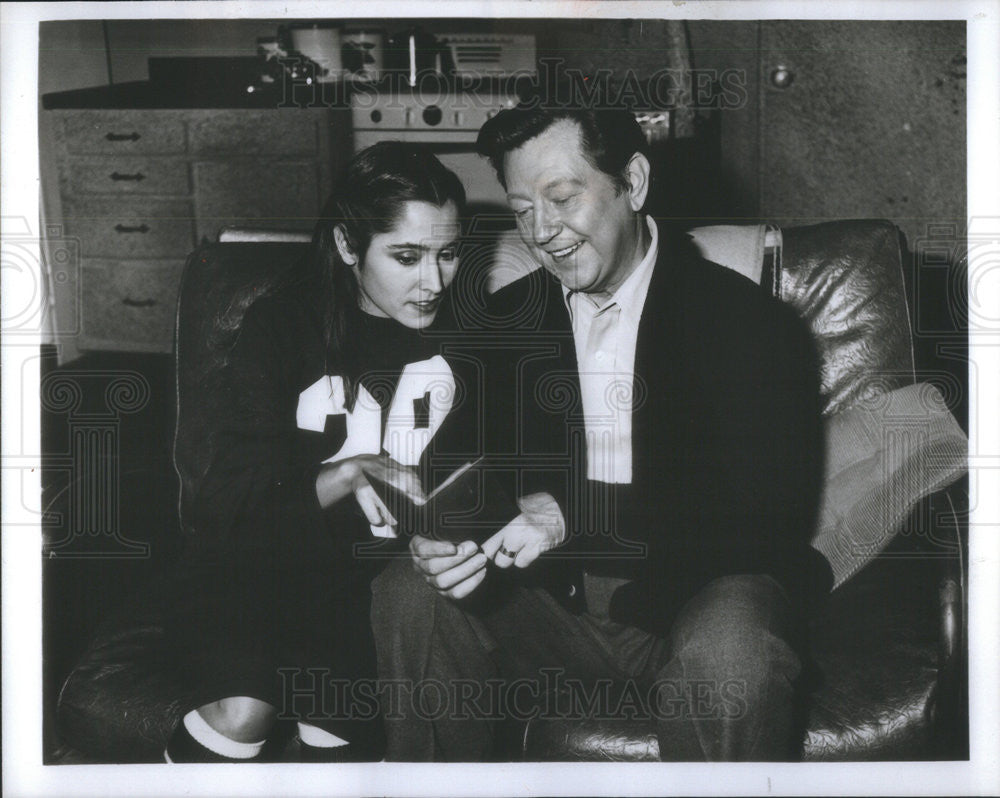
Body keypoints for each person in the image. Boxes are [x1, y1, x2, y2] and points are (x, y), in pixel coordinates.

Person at [371, 102, 834, 761]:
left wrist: (572, 511)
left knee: (730, 655)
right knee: (409, 589)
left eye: (562, 198)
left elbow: (760, 507)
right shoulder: (505, 321)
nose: (543, 230)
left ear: (634, 183)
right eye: (522, 209)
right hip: (557, 610)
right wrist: (447, 535)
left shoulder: (742, 319)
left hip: (700, 594)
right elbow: (458, 463)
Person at [163, 141, 466, 763]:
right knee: (243, 714)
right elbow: (227, 504)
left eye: (448, 254)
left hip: (367, 591)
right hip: (263, 570)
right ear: (349, 246)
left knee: (342, 733)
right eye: (406, 256)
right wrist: (346, 472)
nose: (432, 281)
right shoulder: (281, 326)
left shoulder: (474, 334)